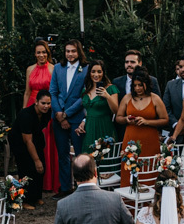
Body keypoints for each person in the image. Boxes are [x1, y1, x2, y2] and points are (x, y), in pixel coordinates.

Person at [115, 69, 169, 188]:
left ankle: (150, 202)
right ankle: (129, 202)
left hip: (150, 142)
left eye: (140, 85)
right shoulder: (127, 98)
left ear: (147, 84)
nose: (138, 88)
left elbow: (165, 119)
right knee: (129, 170)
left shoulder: (155, 98)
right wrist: (126, 119)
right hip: (130, 141)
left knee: (149, 170)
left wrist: (147, 122)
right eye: (135, 85)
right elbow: (118, 117)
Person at [49, 39, 89, 196]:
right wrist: (59, 114)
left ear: (79, 52)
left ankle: (81, 188)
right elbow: (53, 91)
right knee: (63, 154)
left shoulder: (85, 69)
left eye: (73, 51)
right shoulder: (58, 68)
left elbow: (84, 95)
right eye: (67, 51)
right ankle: (65, 188)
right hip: (58, 117)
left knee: (79, 155)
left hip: (77, 117)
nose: (70, 54)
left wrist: (67, 114)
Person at [25, 41, 59, 194]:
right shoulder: (29, 69)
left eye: (44, 52)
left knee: (47, 144)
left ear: (48, 53)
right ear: (34, 54)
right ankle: (34, 181)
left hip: (47, 109)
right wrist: (23, 113)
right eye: (38, 52)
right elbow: (27, 91)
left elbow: (56, 92)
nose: (41, 55)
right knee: (31, 143)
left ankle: (49, 182)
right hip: (32, 106)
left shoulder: (54, 69)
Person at [10, 90, 53, 209]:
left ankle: (37, 197)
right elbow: (27, 141)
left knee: (40, 168)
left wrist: (39, 160)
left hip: (35, 137)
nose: (46, 106)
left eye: (48, 103)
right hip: (20, 141)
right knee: (27, 168)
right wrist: (36, 160)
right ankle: (24, 200)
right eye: (43, 103)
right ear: (36, 102)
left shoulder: (48, 112)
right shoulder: (26, 115)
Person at [76, 60, 120, 149]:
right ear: (89, 73)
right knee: (89, 157)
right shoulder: (85, 90)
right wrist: (83, 122)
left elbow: (116, 110)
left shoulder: (111, 88)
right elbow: (88, 111)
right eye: (93, 71)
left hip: (104, 126)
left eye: (99, 72)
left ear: (103, 73)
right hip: (89, 128)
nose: (96, 75)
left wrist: (107, 96)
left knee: (105, 157)